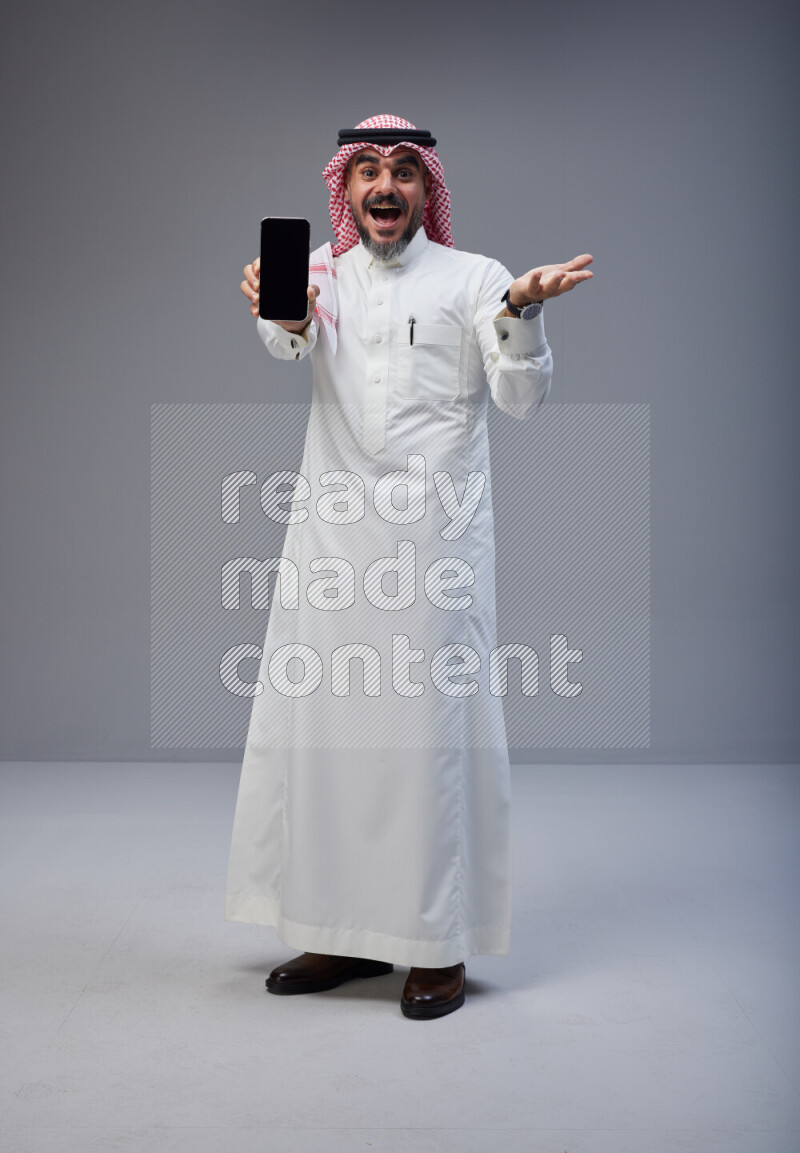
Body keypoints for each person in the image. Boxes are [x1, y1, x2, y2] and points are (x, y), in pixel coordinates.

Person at [227, 114, 593, 1020]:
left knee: (428, 739)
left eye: (403, 173)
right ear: (345, 191)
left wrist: (523, 309)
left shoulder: (476, 279)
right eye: (367, 173)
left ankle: (437, 945)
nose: (385, 187)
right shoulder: (317, 272)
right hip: (333, 538)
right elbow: (289, 339)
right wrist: (284, 313)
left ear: (428, 190)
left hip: (435, 544)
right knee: (331, 731)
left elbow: (520, 396)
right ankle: (339, 929)